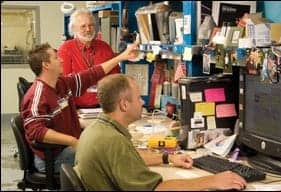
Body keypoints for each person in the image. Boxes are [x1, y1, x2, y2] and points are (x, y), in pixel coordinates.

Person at [74, 74, 247, 191]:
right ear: (124, 105)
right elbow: (157, 189)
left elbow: (130, 158)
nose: (142, 102)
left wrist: (168, 158)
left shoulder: (96, 130)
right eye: (138, 98)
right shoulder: (113, 141)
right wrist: (213, 181)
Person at [21, 42, 138, 173]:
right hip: (52, 158)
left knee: (108, 147)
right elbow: (36, 131)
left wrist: (121, 57)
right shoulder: (37, 95)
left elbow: (91, 74)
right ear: (46, 65)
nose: (61, 59)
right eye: (56, 57)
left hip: (65, 148)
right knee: (107, 157)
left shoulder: (62, 84)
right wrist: (72, 141)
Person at [58, 8, 120, 108]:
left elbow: (116, 78)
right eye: (83, 26)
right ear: (74, 29)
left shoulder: (105, 47)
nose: (88, 29)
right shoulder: (65, 49)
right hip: (78, 109)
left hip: (105, 107)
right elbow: (64, 84)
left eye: (91, 25)